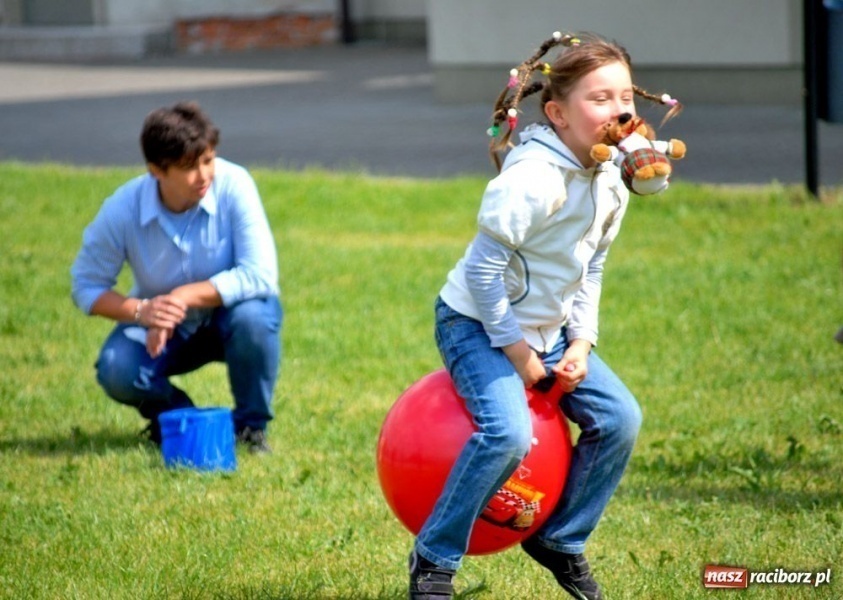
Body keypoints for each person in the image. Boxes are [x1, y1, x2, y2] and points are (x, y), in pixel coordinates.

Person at [408, 32, 682, 599]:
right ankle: (434, 558)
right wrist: (518, 353)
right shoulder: (532, 179)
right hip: (478, 325)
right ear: (557, 113)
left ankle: (560, 539)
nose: (621, 110)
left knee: (620, 419)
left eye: (626, 95)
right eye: (599, 98)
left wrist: (581, 341)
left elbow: (591, 267)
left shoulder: (615, 175)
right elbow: (483, 275)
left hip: (551, 332)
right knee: (508, 434)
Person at [71, 101, 282, 454]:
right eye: (188, 167)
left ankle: (250, 428)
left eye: (208, 159)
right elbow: (85, 286)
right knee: (116, 368)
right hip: (162, 328)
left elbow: (260, 275)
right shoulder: (123, 208)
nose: (204, 176)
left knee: (255, 319)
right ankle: (179, 421)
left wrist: (181, 297)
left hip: (229, 319)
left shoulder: (235, 184)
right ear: (156, 170)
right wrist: (143, 311)